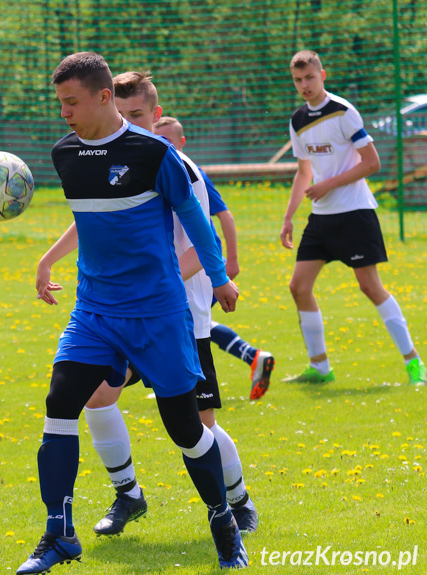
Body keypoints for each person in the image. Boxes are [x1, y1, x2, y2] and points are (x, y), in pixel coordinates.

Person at [16, 53, 247, 575]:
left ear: (103, 97)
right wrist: (48, 259)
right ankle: (58, 534)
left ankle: (223, 521)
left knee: (185, 429)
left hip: (157, 314)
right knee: (59, 403)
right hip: (95, 312)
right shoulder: (65, 154)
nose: (65, 113)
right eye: (60, 103)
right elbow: (91, 223)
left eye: (72, 102)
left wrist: (219, 278)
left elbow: (198, 220)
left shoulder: (154, 155)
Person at [71, 73, 257, 542]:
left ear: (156, 116)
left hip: (180, 320)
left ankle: (238, 502)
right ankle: (127, 493)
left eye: (136, 116)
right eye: (123, 114)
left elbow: (205, 239)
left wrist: (160, 279)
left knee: (199, 425)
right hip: (124, 316)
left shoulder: (177, 166)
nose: (127, 123)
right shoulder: (115, 159)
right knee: (95, 393)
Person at [280, 50, 426, 386]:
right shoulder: (298, 119)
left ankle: (414, 363)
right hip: (321, 218)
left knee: (370, 286)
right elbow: (304, 172)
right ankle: (320, 367)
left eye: (310, 78)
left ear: (323, 75)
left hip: (355, 214)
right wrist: (289, 217)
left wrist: (328, 183)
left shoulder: (344, 112)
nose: (304, 85)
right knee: (298, 287)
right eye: (298, 80)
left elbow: (372, 163)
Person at [155, 116, 275, 400]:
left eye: (169, 140)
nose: (163, 144)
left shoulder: (188, 171)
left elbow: (226, 216)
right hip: (187, 260)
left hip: (200, 262)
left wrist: (229, 261)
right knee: (194, 322)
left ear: (182, 142)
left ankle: (189, 382)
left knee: (191, 322)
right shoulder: (158, 166)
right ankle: (253, 357)